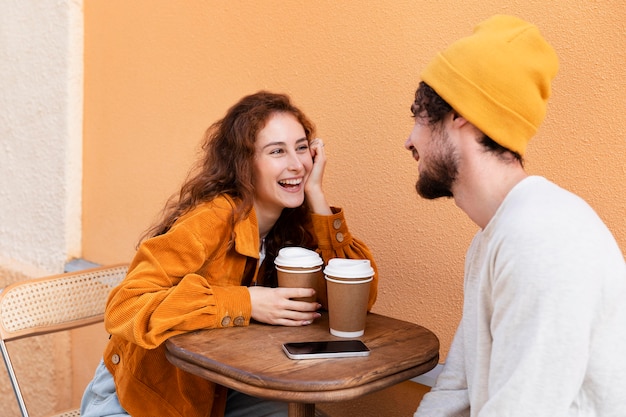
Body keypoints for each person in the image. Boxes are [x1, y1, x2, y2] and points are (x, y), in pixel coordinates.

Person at [80, 91, 378, 417]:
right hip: (142, 400)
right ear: (244, 163)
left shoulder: (295, 225)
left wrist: (317, 194)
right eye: (277, 151)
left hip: (220, 391)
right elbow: (124, 307)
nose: (297, 164)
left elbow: (356, 299)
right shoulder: (211, 219)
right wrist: (246, 301)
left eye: (302, 147)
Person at [405, 15, 626, 417]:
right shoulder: (496, 235)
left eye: (419, 116)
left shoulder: (543, 239)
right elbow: (458, 387)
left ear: (461, 116)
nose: (410, 139)